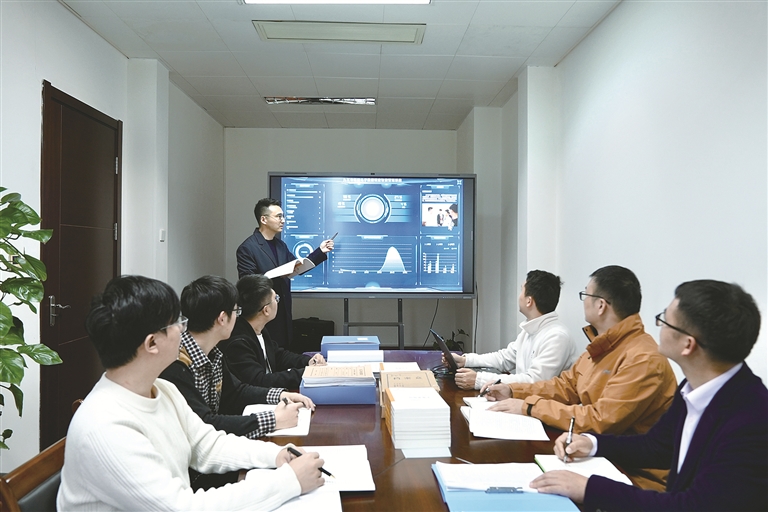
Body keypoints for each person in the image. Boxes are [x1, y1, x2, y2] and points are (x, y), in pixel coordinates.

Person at [57, 275, 324, 511]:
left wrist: (276, 455)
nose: (183, 329)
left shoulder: (163, 389)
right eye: (176, 322)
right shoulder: (106, 427)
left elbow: (207, 445)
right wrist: (289, 481)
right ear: (152, 343)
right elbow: (182, 507)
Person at [531, 280, 768, 511]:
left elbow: (694, 506)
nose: (658, 326)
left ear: (688, 345)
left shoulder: (752, 421)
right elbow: (658, 446)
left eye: (665, 320)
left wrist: (589, 488)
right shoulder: (695, 386)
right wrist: (593, 443)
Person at [483, 265, 677, 490]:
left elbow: (600, 420)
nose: (583, 301)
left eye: (586, 294)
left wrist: (529, 406)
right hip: (597, 457)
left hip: (634, 477)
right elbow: (565, 386)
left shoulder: (642, 358)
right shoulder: (603, 345)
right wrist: (513, 391)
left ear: (601, 305)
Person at [159, 275, 317, 489]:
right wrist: (273, 419)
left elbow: (236, 391)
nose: (239, 318)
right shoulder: (176, 365)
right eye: (236, 311)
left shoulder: (212, 353)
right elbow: (205, 424)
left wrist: (280, 395)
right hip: (193, 476)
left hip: (211, 461)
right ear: (222, 318)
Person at [445, 270, 579, 390]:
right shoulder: (530, 329)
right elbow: (504, 358)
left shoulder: (557, 336)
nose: (519, 296)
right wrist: (466, 360)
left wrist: (479, 379)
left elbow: (534, 382)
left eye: (521, 290)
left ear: (529, 301)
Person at [236, 197, 334, 350]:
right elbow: (247, 284)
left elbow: (298, 267)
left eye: (283, 216)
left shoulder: (281, 245)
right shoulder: (248, 248)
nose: (283, 220)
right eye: (278, 216)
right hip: (262, 317)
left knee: (283, 355)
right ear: (263, 219)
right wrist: (271, 276)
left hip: (283, 315)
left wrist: (320, 251)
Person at [220, 274, 325, 390]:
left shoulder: (258, 329)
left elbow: (278, 355)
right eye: (276, 298)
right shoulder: (238, 342)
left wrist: (308, 361)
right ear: (266, 310)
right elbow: (259, 381)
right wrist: (306, 372)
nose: (277, 302)